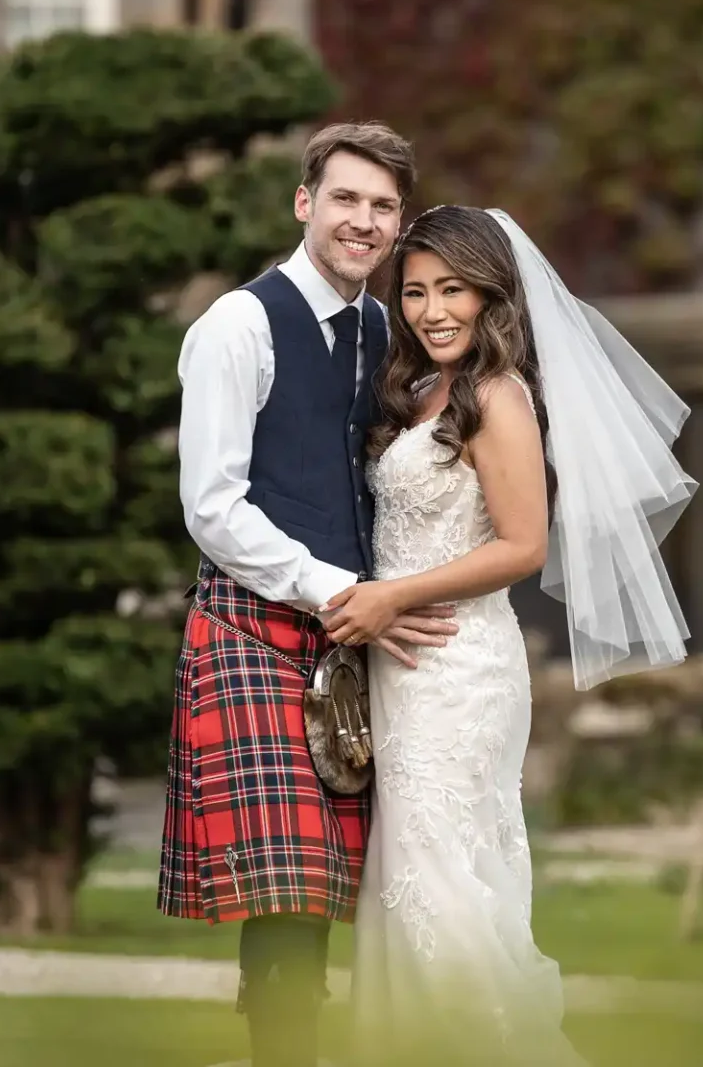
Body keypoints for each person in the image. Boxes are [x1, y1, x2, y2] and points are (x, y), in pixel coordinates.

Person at [320, 205, 696, 1065]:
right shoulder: (418, 392)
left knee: (443, 895)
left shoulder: (498, 395)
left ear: (493, 294)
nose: (431, 310)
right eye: (413, 292)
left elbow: (523, 546)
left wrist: (389, 598)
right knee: (412, 890)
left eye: (452, 289)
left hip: (458, 669)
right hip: (402, 673)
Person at [158, 122, 459, 1067]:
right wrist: (338, 589)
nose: (363, 222)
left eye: (382, 207)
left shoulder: (389, 331)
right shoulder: (236, 327)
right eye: (345, 199)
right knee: (287, 897)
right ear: (305, 203)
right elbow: (212, 506)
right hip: (255, 631)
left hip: (361, 643)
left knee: (360, 890)